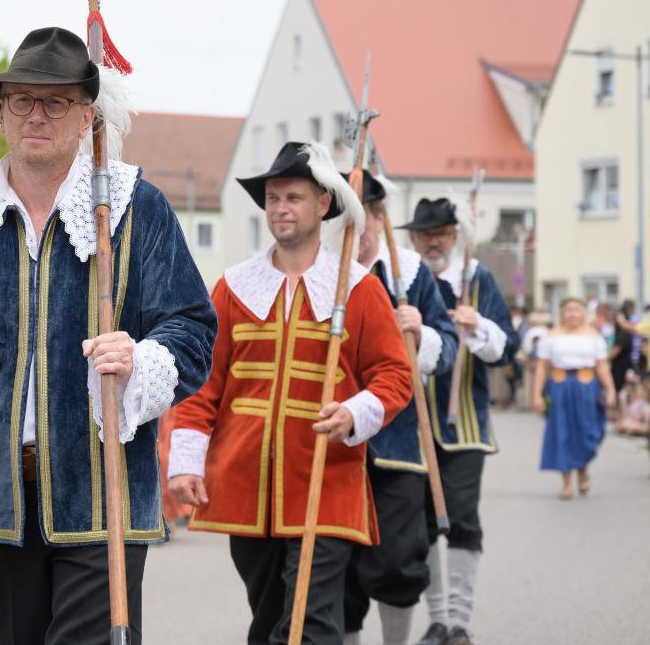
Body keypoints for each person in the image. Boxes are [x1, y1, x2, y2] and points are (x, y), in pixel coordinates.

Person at [0, 27, 217, 644]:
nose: (36, 114)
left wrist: (142, 358)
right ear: (0, 110)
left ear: (86, 117)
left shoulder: (136, 207)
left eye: (56, 102)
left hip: (101, 498)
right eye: (21, 99)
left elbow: (193, 329)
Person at [169, 142, 413, 645]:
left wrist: (354, 412)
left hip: (326, 481)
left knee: (311, 622)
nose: (280, 207)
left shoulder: (359, 289)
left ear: (323, 204)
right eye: (274, 198)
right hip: (245, 482)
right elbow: (202, 383)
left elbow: (394, 375)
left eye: (293, 197)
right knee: (270, 620)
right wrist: (186, 461)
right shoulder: (234, 286)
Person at [342, 171, 458, 645]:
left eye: (362, 216)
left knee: (398, 562)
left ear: (378, 216)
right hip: (336, 442)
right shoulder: (323, 272)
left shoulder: (409, 276)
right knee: (340, 565)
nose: (353, 227)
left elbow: (447, 347)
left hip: (398, 443)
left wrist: (422, 331)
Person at [401, 197, 519, 645]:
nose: (434, 241)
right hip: (410, 426)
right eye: (426, 234)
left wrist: (479, 325)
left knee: (463, 521)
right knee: (422, 526)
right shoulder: (402, 282)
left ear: (456, 237)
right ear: (413, 239)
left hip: (464, 422)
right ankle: (436, 620)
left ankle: (460, 621)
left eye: (443, 234)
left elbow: (508, 349)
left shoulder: (478, 280)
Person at [531, 298, 616, 499]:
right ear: (561, 314)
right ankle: (567, 482)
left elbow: (602, 366)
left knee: (587, 430)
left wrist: (610, 389)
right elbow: (542, 367)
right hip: (560, 386)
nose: (572, 314)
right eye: (567, 310)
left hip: (586, 387)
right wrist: (536, 395)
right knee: (562, 432)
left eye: (576, 310)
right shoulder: (550, 337)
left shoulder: (594, 337)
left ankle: (583, 468)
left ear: (583, 313)